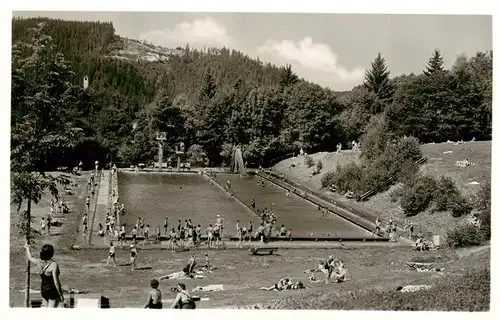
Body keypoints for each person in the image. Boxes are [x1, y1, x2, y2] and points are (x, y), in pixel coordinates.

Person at [24, 243, 65, 307]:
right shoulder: (54, 264)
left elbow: (30, 257)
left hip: (43, 291)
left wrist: (27, 248)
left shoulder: (38, 262)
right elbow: (56, 282)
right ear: (51, 253)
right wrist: (61, 295)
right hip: (52, 291)